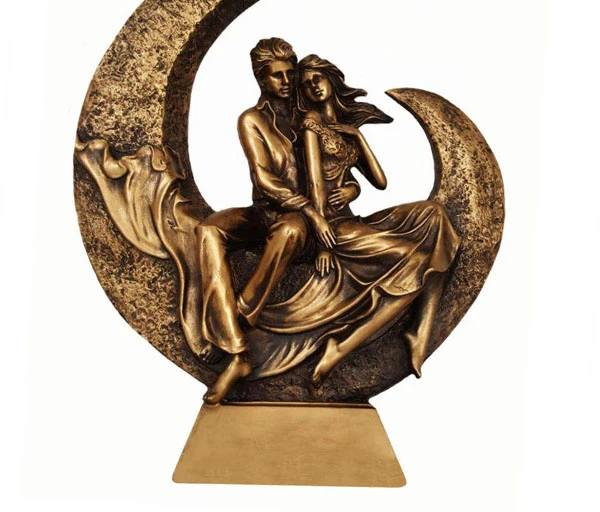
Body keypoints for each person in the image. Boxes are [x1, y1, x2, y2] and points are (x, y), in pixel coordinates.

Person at [251, 54, 461, 386]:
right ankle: (342, 347)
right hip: (331, 226)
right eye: (306, 84)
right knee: (418, 259)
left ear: (332, 79)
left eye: (318, 78)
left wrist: (356, 141)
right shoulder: (310, 126)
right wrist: (323, 243)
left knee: (435, 217)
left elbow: (379, 181)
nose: (313, 86)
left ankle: (421, 329)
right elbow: (315, 185)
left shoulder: (341, 126)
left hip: (351, 217)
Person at [195, 39, 359, 403]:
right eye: (277, 76)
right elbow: (264, 178)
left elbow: (342, 166)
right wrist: (309, 210)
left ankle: (239, 317)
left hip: (299, 220)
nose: (286, 81)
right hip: (266, 210)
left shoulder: (310, 117)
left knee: (289, 230)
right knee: (208, 229)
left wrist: (348, 191)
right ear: (261, 79)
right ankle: (236, 347)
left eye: (290, 73)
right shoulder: (252, 120)